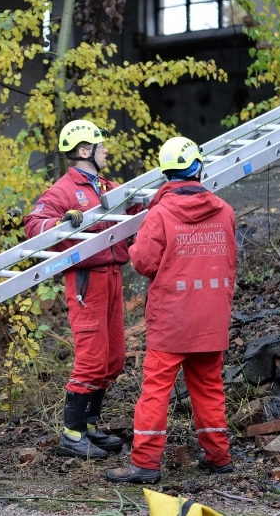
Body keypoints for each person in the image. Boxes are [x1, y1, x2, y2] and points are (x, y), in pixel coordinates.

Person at [105, 136, 237, 484]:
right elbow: (230, 262)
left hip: (173, 320)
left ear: (167, 175)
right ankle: (219, 457)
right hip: (212, 317)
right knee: (209, 387)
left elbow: (144, 261)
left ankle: (145, 465)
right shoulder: (225, 210)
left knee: (156, 391)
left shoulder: (160, 214)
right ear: (198, 168)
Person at [24, 119, 139, 459]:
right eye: (100, 145)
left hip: (113, 275)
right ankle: (72, 435)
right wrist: (59, 224)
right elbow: (34, 225)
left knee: (114, 358)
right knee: (91, 359)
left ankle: (89, 426)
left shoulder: (105, 186)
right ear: (84, 150)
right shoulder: (63, 190)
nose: (106, 150)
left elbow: (134, 205)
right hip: (87, 279)